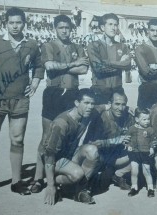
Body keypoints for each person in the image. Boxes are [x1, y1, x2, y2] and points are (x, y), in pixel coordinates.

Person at [0, 7, 44, 198]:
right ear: (6, 23)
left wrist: (35, 81)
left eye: (18, 22)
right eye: (11, 22)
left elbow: (39, 65)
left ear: (24, 23)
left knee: (17, 140)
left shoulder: (32, 44)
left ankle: (16, 181)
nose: (15, 26)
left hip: (20, 100)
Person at [31, 14, 89, 193]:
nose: (64, 30)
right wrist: (73, 64)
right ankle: (38, 178)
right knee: (47, 137)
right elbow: (49, 66)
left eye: (67, 28)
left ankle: (60, 173)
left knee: (70, 136)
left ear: (71, 29)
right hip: (53, 94)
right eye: (61, 27)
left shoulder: (77, 46)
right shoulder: (48, 45)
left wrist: (63, 65)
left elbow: (84, 68)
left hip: (72, 94)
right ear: (55, 29)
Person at [35, 88, 99, 205]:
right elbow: (49, 154)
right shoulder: (61, 123)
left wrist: (128, 109)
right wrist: (50, 185)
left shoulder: (88, 112)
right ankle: (56, 182)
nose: (90, 106)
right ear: (76, 103)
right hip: (54, 159)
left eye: (92, 103)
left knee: (92, 151)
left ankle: (80, 190)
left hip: (69, 155)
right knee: (77, 173)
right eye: (86, 103)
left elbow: (104, 106)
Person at [83, 91, 134, 191]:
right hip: (100, 156)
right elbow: (90, 144)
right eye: (117, 104)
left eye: (123, 105)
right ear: (110, 104)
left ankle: (118, 175)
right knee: (99, 185)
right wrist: (115, 140)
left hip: (117, 155)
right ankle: (101, 173)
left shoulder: (128, 116)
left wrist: (131, 143)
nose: (120, 108)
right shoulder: (100, 118)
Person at [87, 13, 131, 105]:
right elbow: (98, 68)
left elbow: (127, 65)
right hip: (99, 91)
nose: (113, 28)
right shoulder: (94, 45)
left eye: (115, 25)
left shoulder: (122, 46)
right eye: (110, 24)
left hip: (118, 91)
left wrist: (107, 63)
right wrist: (119, 63)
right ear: (103, 27)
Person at [125, 108, 156, 197]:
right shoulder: (131, 129)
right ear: (137, 119)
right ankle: (134, 188)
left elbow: (153, 141)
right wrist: (128, 146)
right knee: (134, 171)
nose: (147, 121)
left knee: (147, 171)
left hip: (145, 154)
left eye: (148, 119)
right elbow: (127, 140)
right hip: (135, 154)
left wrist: (152, 148)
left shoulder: (150, 130)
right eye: (144, 119)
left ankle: (150, 188)